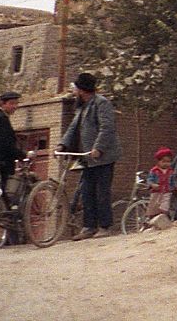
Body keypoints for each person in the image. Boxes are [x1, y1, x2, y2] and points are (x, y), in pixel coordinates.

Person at [60, 72, 120, 240]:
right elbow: (73, 127)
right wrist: (62, 144)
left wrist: (98, 148)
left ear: (82, 90)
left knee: (102, 191)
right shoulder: (81, 106)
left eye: (75, 88)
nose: (73, 91)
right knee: (86, 191)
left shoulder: (102, 103)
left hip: (103, 157)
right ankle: (89, 226)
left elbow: (107, 128)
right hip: (87, 157)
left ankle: (105, 226)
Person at [146, 147, 174, 219]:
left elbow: (173, 181)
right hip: (156, 192)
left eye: (168, 162)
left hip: (167, 192)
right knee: (153, 208)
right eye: (163, 161)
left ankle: (163, 217)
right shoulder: (154, 171)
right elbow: (149, 179)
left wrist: (176, 187)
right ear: (158, 161)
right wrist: (152, 184)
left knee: (164, 207)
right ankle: (151, 219)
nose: (166, 164)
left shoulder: (171, 171)